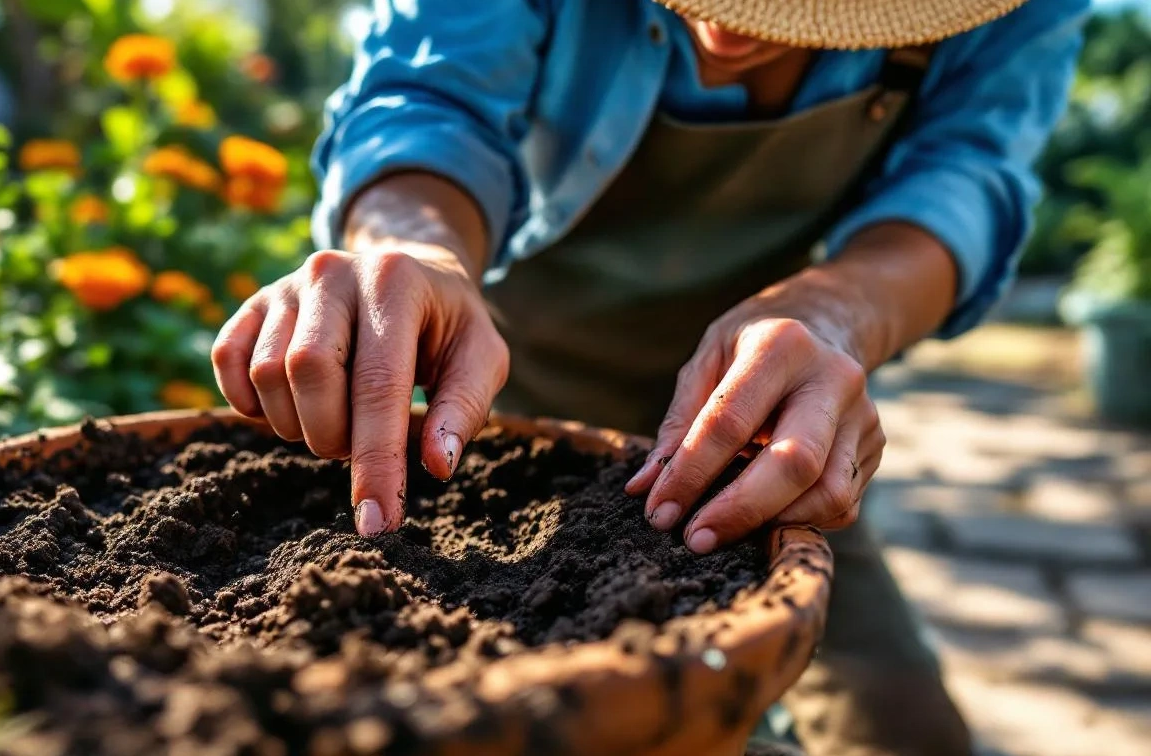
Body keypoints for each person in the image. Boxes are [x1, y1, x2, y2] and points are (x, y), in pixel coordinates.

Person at [212, 0, 1088, 753]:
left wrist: (834, 316)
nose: (727, 33)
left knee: (904, 725)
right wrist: (414, 249)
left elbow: (964, 177)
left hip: (756, 439)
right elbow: (430, 96)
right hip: (492, 413)